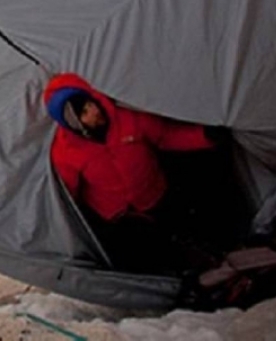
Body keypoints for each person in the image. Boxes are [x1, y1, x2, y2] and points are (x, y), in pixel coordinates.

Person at [44, 73, 232, 272]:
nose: (93, 111)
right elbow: (68, 198)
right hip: (120, 220)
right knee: (151, 260)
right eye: (84, 113)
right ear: (75, 125)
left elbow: (166, 137)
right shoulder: (65, 152)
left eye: (89, 104)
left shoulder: (127, 118)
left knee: (187, 235)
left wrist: (204, 137)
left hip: (156, 196)